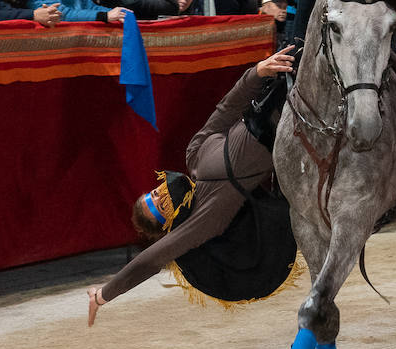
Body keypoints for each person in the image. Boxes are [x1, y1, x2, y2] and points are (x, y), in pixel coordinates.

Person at [86, 45, 297, 325]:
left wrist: (256, 72)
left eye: (152, 194)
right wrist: (102, 295)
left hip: (271, 97)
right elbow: (149, 260)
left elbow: (227, 109)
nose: (160, 196)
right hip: (292, 129)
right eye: (159, 209)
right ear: (171, 224)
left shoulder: (193, 152)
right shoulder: (206, 218)